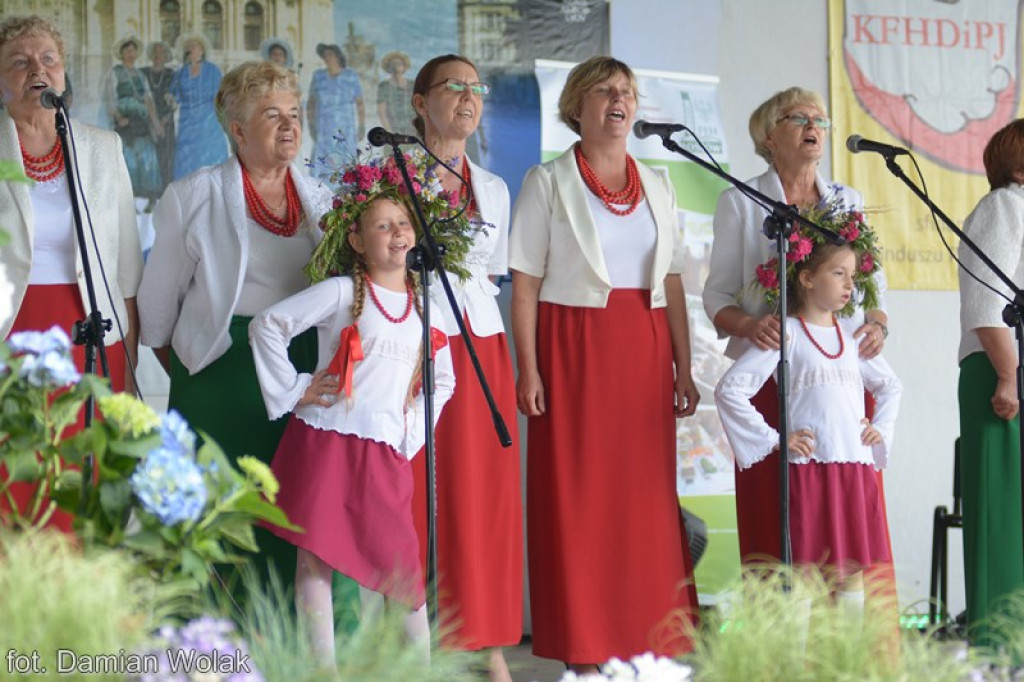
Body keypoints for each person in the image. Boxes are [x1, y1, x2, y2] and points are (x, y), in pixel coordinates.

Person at [509, 56, 700, 672]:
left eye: (627, 92)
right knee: (580, 500)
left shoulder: (660, 184)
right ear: (577, 107)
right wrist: (529, 368)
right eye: (604, 91)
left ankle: (649, 643)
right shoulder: (547, 181)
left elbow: (671, 281)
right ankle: (585, 650)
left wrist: (684, 367)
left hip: (643, 350)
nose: (618, 100)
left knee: (644, 503)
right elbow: (525, 285)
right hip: (573, 346)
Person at [249, 156, 458, 669]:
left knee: (401, 573)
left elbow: (444, 380)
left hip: (384, 448)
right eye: (381, 225)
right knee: (314, 558)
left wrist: (410, 433)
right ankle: (324, 671)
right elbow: (268, 325)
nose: (396, 233)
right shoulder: (344, 292)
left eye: (403, 223)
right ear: (359, 241)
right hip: (325, 441)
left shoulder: (426, 306)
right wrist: (296, 388)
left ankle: (417, 673)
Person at [138, 61, 331, 590]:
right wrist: (194, 378)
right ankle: (212, 650)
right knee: (219, 514)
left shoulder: (322, 197)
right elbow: (156, 310)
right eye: (273, 115)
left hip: (301, 371)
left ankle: (296, 650)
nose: (290, 125)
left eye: (294, 113)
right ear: (238, 130)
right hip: (219, 372)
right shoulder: (193, 194)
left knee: (294, 508)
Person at [702, 87, 892, 565]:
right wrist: (749, 326)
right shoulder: (741, 201)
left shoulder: (847, 201)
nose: (814, 127)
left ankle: (850, 630)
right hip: (773, 373)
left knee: (850, 520)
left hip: (840, 375)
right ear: (769, 137)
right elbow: (717, 296)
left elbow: (874, 286)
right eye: (799, 118)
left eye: (820, 120)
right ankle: (784, 632)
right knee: (779, 516)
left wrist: (877, 323)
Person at [714, 211, 902, 619]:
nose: (851, 285)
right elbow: (730, 390)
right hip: (808, 472)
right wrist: (775, 441)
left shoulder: (852, 341)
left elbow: (891, 386)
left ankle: (844, 666)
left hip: (853, 470)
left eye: (854, 276)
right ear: (807, 278)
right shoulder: (787, 336)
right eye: (839, 273)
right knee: (803, 576)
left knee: (852, 576)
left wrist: (879, 429)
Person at [0, 14, 143, 528]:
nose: (36, 69)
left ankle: (82, 598)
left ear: (63, 74)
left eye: (48, 60)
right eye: (19, 61)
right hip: (11, 332)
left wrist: (127, 365)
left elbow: (126, 267)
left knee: (86, 472)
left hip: (91, 332)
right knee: (17, 472)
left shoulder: (103, 148)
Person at [409, 53, 522, 682]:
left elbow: (493, 274)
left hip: (483, 345)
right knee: (424, 490)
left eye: (476, 89)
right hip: (415, 343)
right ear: (420, 101)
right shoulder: (387, 173)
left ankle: (489, 644)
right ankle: (420, 641)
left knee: (484, 496)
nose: (468, 98)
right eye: (453, 87)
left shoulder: (495, 188)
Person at [957, 118, 1024, 648]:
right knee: (1002, 516)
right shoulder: (1005, 207)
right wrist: (1007, 376)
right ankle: (998, 646)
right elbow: (988, 305)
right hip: (1001, 373)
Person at [102, 35, 163, 204]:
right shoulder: (114, 73)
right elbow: (110, 97)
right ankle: (129, 200)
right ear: (121, 54)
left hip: (141, 122)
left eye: (132, 51)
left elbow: (148, 100)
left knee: (147, 157)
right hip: (125, 122)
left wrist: (156, 123)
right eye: (127, 51)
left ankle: (150, 197)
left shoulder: (141, 76)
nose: (130, 54)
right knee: (128, 158)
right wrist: (118, 117)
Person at [170, 33, 227, 179]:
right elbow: (173, 97)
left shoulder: (213, 70)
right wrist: (170, 99)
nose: (189, 50)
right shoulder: (180, 73)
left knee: (210, 159)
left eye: (193, 46)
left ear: (202, 50)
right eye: (187, 47)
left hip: (209, 122)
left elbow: (220, 97)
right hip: (187, 122)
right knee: (187, 159)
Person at [307, 43, 364, 178]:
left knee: (347, 161)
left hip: (346, 127)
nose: (327, 58)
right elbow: (311, 103)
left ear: (338, 56)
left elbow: (360, 103)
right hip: (324, 126)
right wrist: (311, 125)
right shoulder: (318, 76)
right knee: (324, 161)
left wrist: (361, 125)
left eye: (330, 55)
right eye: (325, 55)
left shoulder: (351, 75)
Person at [140, 40, 176, 192]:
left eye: (161, 52)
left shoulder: (172, 74)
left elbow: (175, 98)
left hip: (166, 121)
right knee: (149, 157)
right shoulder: (143, 72)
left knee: (166, 158)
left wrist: (164, 120)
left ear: (166, 55)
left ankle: (166, 192)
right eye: (155, 52)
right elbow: (141, 97)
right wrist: (154, 121)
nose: (157, 55)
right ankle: (150, 195)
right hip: (147, 120)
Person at [377, 51, 416, 137]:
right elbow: (381, 112)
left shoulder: (412, 84)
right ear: (388, 67)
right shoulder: (384, 86)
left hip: (413, 131)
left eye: (399, 63)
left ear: (404, 66)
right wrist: (389, 132)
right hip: (393, 131)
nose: (396, 66)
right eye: (393, 64)